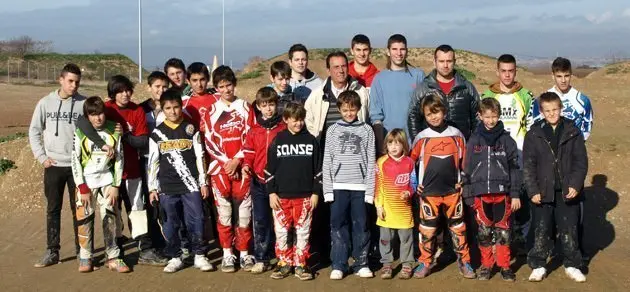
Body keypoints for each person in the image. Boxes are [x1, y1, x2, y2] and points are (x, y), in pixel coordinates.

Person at [76, 75, 167, 264]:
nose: (125, 94)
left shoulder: (137, 110)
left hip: (132, 169)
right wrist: (101, 143)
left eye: (127, 90)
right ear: (113, 93)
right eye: (120, 91)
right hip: (108, 175)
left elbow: (142, 141)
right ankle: (116, 252)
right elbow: (82, 122)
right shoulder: (106, 109)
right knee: (113, 212)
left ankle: (145, 250)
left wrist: (125, 135)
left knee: (137, 209)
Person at [531, 56, 594, 260]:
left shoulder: (582, 100)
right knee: (544, 214)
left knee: (575, 212)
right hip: (547, 164)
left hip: (570, 159)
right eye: (559, 76)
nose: (563, 80)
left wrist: (569, 147)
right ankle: (544, 252)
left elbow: (586, 129)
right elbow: (535, 128)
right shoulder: (542, 100)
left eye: (567, 75)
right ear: (553, 75)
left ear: (571, 75)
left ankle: (576, 253)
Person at [147, 88, 214, 273]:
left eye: (176, 107)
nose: (173, 111)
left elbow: (200, 157)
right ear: (162, 109)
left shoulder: (190, 129)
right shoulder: (157, 133)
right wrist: (152, 187)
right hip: (167, 187)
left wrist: (203, 182)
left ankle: (199, 254)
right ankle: (175, 256)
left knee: (198, 219)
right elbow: (153, 162)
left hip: (191, 184)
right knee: (170, 223)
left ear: (181, 106)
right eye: (168, 108)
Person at [524, 92, 588, 283]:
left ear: (561, 109)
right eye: (547, 110)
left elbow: (580, 162)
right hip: (542, 191)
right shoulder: (534, 133)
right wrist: (532, 190)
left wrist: (576, 184)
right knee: (541, 229)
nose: (552, 113)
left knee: (570, 229)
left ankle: (572, 264)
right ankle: (538, 264)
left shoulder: (572, 131)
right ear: (542, 112)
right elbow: (528, 164)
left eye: (555, 109)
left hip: (567, 190)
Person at [410, 93, 475, 279]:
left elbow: (465, 163)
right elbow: (409, 164)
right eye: (429, 114)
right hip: (428, 194)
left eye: (437, 112)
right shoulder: (421, 138)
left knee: (459, 228)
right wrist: (415, 185)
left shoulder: (456, 135)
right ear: (424, 115)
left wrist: (463, 179)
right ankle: (425, 262)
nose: (434, 117)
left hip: (452, 193)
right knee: (427, 230)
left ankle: (465, 261)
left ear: (444, 112)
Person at [29, 63, 85, 267]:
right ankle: (53, 251)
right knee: (53, 209)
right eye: (70, 81)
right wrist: (42, 157)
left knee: (78, 209)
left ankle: (83, 252)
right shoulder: (45, 103)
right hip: (53, 165)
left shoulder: (83, 103)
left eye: (77, 82)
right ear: (60, 80)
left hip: (76, 166)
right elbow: (34, 131)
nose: (73, 86)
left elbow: (95, 127)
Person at [202, 65, 255, 273]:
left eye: (229, 85)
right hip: (220, 169)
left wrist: (238, 160)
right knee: (224, 214)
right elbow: (209, 141)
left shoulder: (246, 107)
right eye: (221, 86)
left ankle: (244, 253)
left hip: (243, 168)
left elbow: (251, 136)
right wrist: (227, 161)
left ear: (235, 84)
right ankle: (227, 254)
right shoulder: (212, 111)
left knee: (244, 214)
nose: (226, 90)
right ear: (216, 88)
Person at [462, 98, 521, 281]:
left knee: (503, 232)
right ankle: (487, 265)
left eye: (494, 116)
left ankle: (504, 266)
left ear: (499, 116)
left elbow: (514, 168)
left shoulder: (507, 140)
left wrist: (515, 194)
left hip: (502, 194)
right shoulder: (474, 140)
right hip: (481, 194)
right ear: (480, 116)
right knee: (484, 232)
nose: (490, 120)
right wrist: (468, 194)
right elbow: (467, 168)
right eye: (487, 116)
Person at [71, 96, 129, 273]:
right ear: (87, 116)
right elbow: (74, 160)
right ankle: (85, 256)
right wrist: (82, 187)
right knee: (84, 219)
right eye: (93, 114)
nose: (98, 118)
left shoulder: (114, 129)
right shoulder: (80, 131)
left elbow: (120, 159)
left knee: (111, 219)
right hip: (86, 184)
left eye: (101, 113)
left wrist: (115, 185)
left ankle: (113, 256)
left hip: (107, 182)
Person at [264, 102, 321, 281]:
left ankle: (301, 264)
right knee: (281, 232)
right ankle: (284, 263)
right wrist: (271, 193)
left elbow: (318, 170)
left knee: (303, 231)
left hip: (305, 197)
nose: (298, 124)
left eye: (301, 120)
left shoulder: (311, 140)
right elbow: (268, 170)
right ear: (285, 119)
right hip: (281, 197)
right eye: (295, 120)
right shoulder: (278, 140)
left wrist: (315, 192)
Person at [323, 91, 376, 280]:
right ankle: (339, 263)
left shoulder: (367, 130)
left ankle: (361, 263)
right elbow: (327, 161)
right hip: (338, 186)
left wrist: (370, 191)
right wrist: (327, 190)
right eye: (345, 110)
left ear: (358, 109)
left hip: (360, 187)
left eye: (352, 109)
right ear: (339, 109)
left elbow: (371, 161)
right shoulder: (333, 130)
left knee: (361, 225)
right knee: (338, 225)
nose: (349, 113)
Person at [241, 87, 287, 274]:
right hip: (259, 182)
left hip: (280, 183)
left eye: (272, 104)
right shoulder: (254, 130)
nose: (268, 109)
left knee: (281, 222)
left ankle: (284, 256)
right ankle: (262, 257)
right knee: (261, 221)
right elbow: (249, 153)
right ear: (258, 107)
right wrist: (246, 166)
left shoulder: (284, 128)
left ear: (277, 105)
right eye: (264, 105)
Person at [408, 44, 480, 140]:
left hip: (461, 147)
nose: (445, 65)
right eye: (441, 61)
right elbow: (413, 118)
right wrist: (419, 143)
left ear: (454, 62)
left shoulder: (467, 87)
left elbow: (478, 118)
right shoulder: (423, 89)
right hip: (431, 148)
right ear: (434, 62)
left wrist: (472, 144)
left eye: (449, 61)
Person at [370, 34, 425, 152]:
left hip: (414, 141)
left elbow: (425, 108)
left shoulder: (418, 75)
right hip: (390, 145)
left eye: (402, 49)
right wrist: (381, 145)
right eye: (394, 49)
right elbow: (376, 115)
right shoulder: (379, 78)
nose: (399, 53)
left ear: (407, 51)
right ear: (388, 52)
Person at [374, 129, 417, 280]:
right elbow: (377, 186)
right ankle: (387, 264)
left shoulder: (410, 162)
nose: (394, 146)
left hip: (404, 211)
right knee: (386, 239)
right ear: (386, 145)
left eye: (398, 143)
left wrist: (409, 193)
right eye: (390, 143)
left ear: (404, 145)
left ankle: (406, 264)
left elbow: (414, 183)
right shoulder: (381, 162)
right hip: (386, 209)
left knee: (406, 239)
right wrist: (379, 206)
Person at [304, 51, 370, 140]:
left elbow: (368, 120)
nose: (341, 70)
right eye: (336, 67)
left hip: (355, 150)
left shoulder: (361, 92)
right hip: (325, 151)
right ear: (328, 70)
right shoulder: (317, 95)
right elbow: (309, 122)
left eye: (343, 66)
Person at [182, 62, 219, 130]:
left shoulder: (219, 98)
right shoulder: (183, 102)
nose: (199, 84)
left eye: (202, 79)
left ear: (208, 79)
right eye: (194, 80)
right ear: (188, 81)